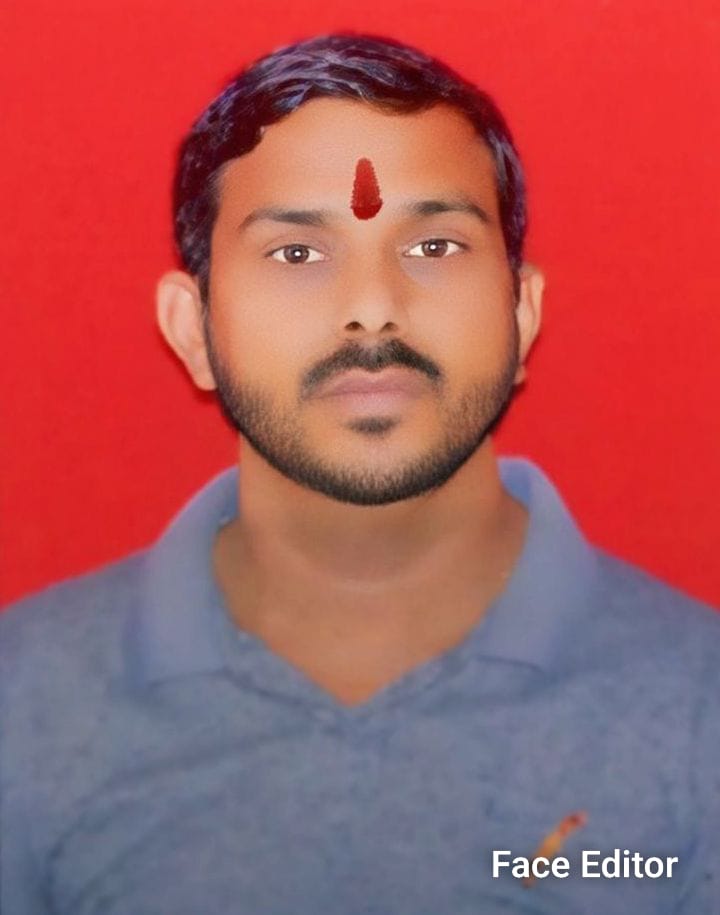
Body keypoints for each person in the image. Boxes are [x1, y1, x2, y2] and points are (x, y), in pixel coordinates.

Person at [1, 33, 719, 915]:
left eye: (435, 247)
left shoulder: (702, 707)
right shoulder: (22, 703)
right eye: (297, 253)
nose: (373, 308)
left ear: (523, 313)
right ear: (193, 330)